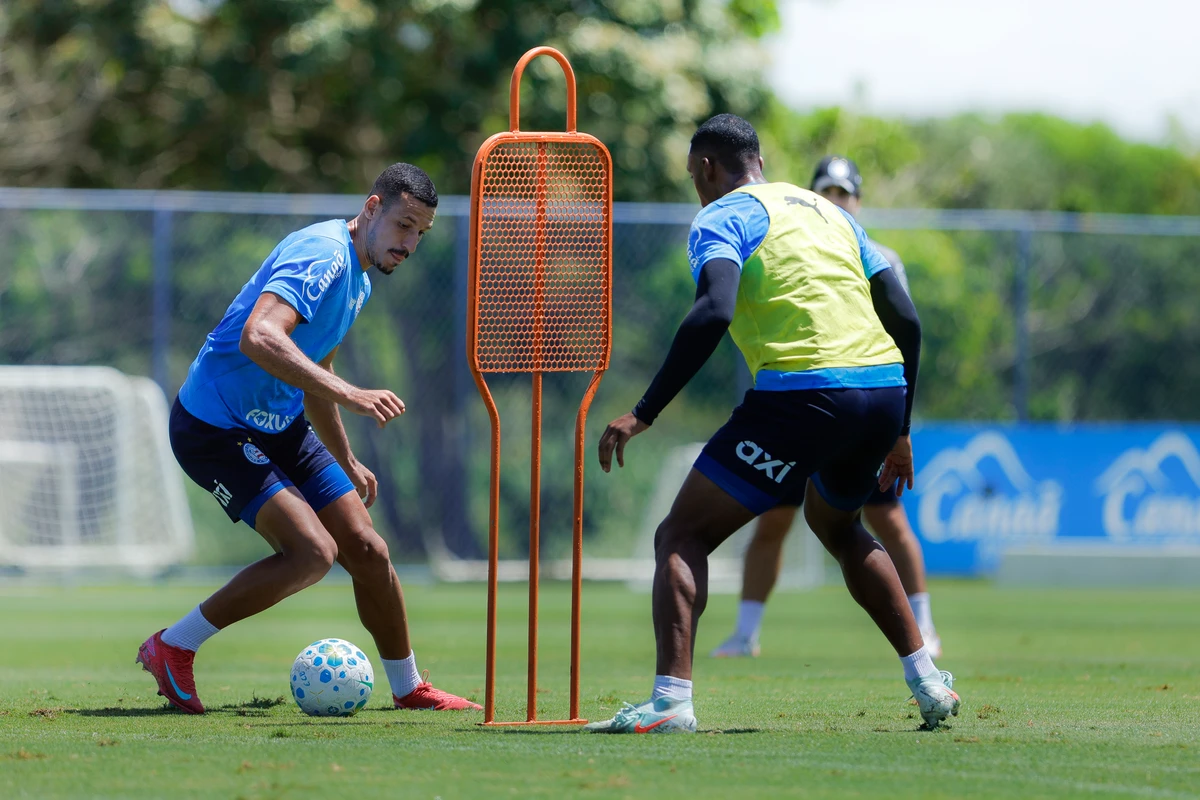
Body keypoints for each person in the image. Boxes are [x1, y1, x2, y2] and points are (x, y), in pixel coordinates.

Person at [585, 115, 958, 734]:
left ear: (707, 167)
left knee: (682, 535)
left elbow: (713, 310)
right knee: (838, 525)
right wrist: (901, 430)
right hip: (883, 389)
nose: (696, 191)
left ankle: (672, 702)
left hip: (804, 393)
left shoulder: (722, 215)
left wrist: (642, 412)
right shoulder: (828, 211)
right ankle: (928, 680)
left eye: (693, 178)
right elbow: (907, 320)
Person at [136, 163, 480, 714]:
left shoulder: (360, 277)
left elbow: (312, 367)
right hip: (214, 428)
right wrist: (352, 393)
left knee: (368, 550)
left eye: (421, 233)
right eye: (403, 225)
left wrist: (344, 456)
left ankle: (408, 685)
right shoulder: (322, 255)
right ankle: (173, 645)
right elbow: (260, 336)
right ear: (372, 208)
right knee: (312, 553)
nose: (410, 243)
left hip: (281, 424)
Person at [710, 155, 941, 661]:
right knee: (773, 519)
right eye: (826, 192)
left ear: (858, 201)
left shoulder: (877, 253)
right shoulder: (792, 242)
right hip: (799, 405)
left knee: (885, 521)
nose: (836, 201)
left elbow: (903, 328)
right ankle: (746, 632)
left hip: (858, 402)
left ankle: (923, 626)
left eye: (844, 193)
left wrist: (901, 424)